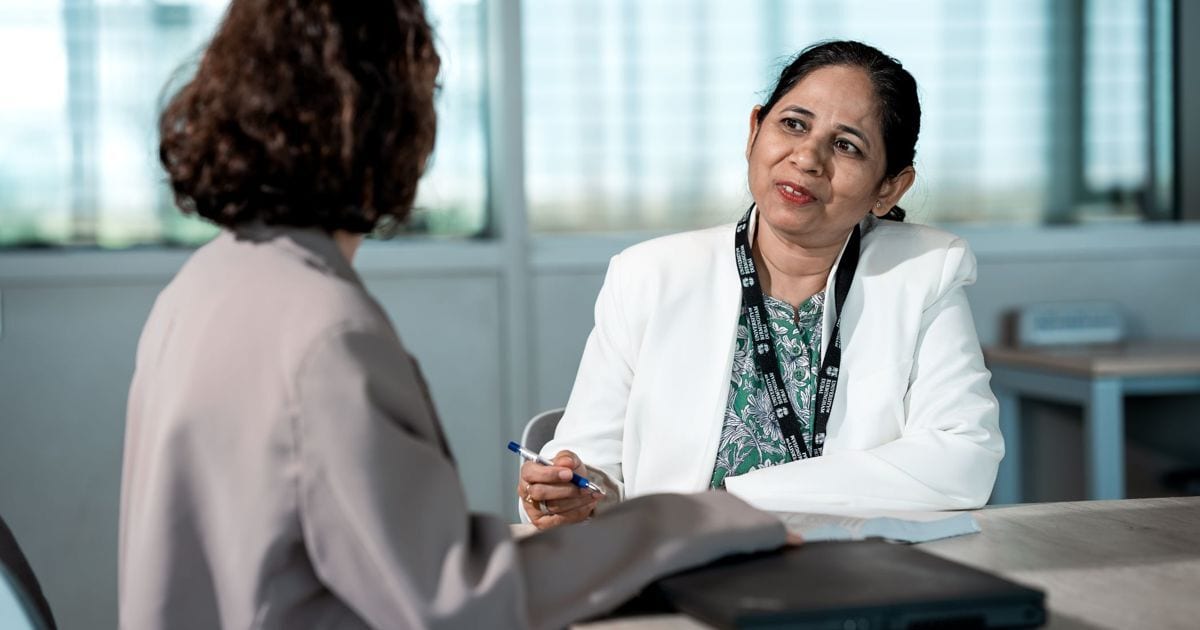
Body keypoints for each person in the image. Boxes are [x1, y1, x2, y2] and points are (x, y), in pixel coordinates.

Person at [117, 1, 790, 628]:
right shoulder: (326, 334)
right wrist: (694, 521)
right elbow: (459, 601)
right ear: (385, 118)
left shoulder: (203, 285)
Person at [520, 40, 1003, 529]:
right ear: (754, 132)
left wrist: (736, 499)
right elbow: (591, 469)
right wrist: (572, 493)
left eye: (846, 145)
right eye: (793, 124)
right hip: (686, 570)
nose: (808, 158)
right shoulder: (647, 276)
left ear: (889, 188)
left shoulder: (924, 273)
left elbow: (964, 459)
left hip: (855, 574)